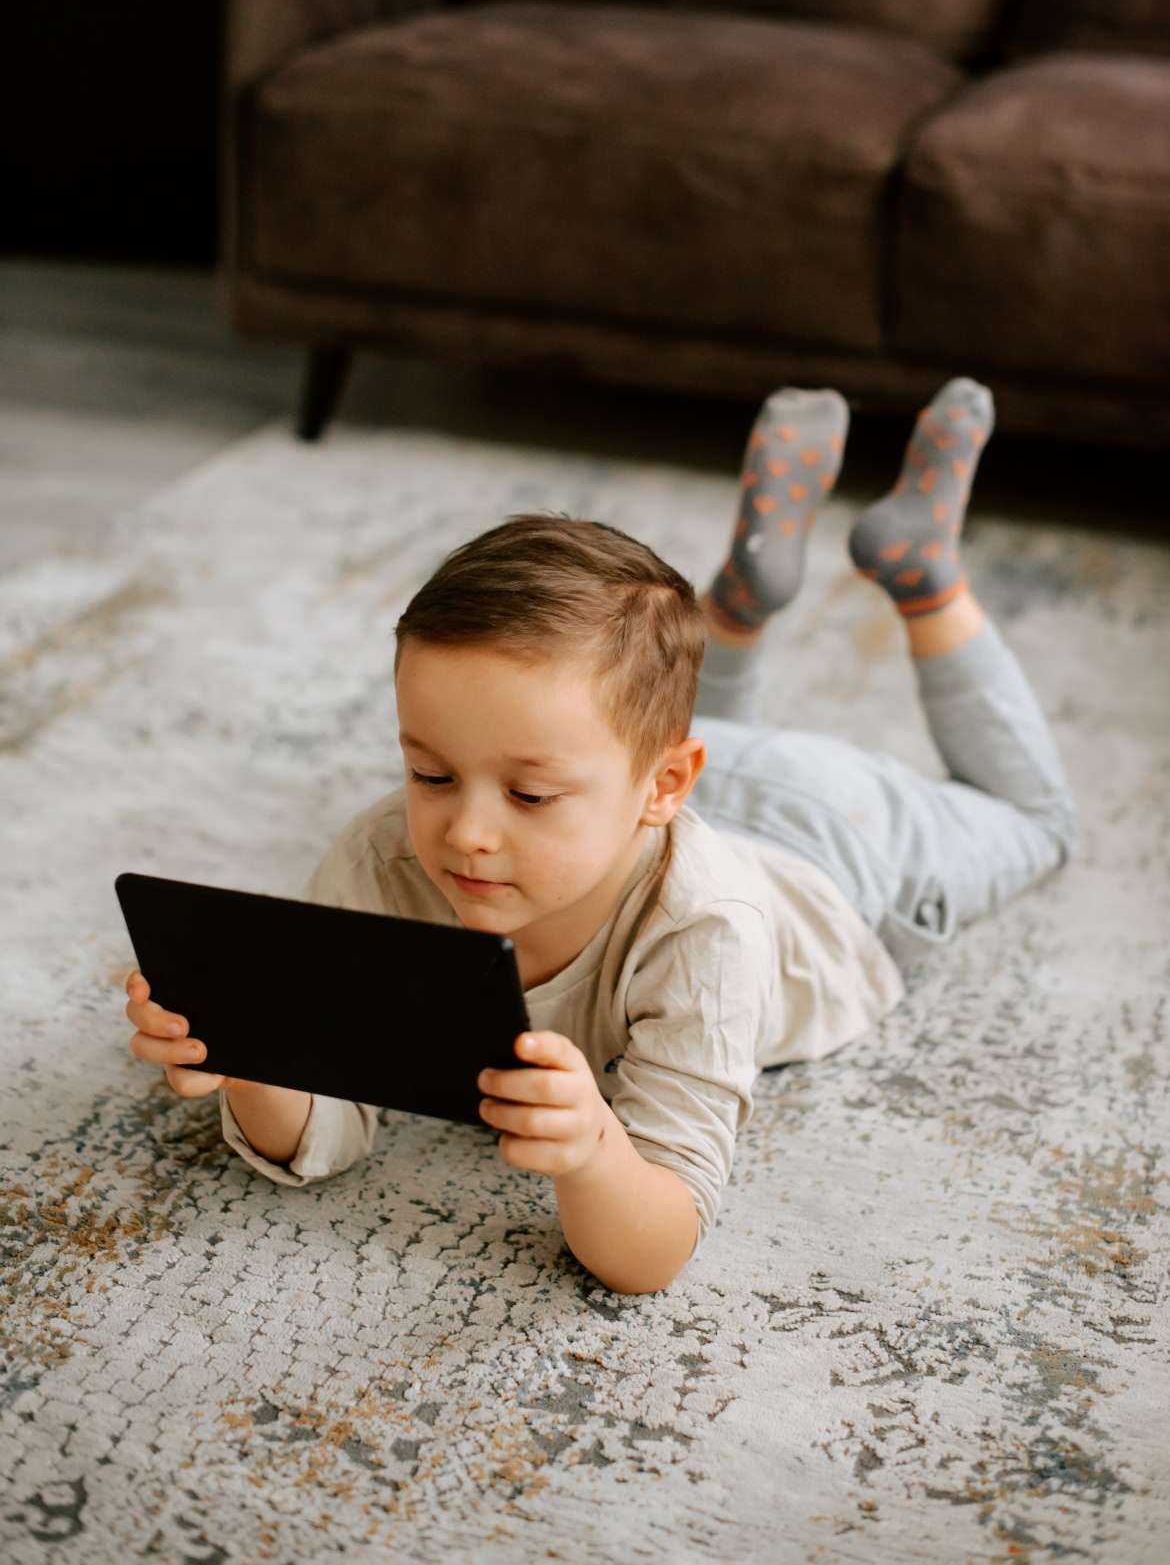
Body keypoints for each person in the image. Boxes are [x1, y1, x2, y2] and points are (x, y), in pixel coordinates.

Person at [124, 377, 1080, 1295]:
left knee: (1037, 826)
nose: (464, 831)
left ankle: (925, 578)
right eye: (430, 773)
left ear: (665, 787)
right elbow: (328, 1123)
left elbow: (654, 1245)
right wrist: (253, 1055)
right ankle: (736, 602)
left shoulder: (706, 930)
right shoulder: (387, 854)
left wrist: (593, 1154)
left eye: (527, 796)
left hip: (835, 840)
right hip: (657, 767)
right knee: (628, 709)